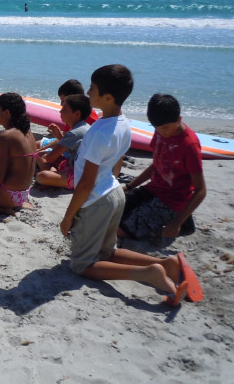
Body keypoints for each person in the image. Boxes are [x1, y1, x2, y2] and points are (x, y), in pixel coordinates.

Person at [59, 65, 192, 306]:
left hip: (97, 199)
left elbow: (87, 181)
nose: (88, 92)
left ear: (107, 98)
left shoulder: (100, 132)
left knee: (81, 265)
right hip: (113, 192)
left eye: (92, 89)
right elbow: (116, 167)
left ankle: (149, 274)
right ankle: (166, 264)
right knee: (106, 252)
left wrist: (69, 216)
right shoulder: (123, 123)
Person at [119, 94, 205, 240]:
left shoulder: (189, 145)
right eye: (156, 128)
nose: (161, 132)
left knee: (120, 231)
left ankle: (183, 220)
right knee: (112, 211)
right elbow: (156, 165)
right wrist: (130, 187)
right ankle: (185, 220)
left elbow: (201, 190)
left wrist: (177, 223)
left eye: (165, 128)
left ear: (179, 119)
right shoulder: (160, 130)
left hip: (173, 200)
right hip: (152, 189)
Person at [35, 94, 91, 190]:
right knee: (41, 155)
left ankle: (51, 181)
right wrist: (60, 137)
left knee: (41, 175)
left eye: (65, 109)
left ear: (77, 114)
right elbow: (73, 150)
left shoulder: (74, 133)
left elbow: (50, 158)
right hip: (84, 170)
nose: (60, 111)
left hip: (80, 178)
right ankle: (53, 178)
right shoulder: (85, 126)